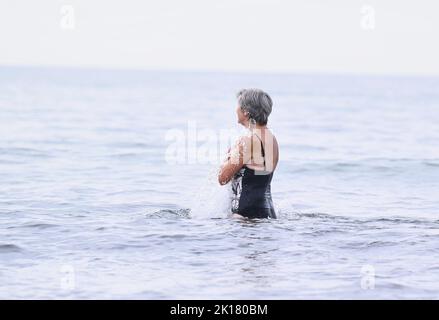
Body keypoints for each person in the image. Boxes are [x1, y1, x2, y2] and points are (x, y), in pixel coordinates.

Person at [218, 88, 279, 219]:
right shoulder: (270, 138)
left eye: (238, 106)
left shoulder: (247, 141)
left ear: (246, 112)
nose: (236, 109)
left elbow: (222, 178)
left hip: (244, 217)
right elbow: (259, 179)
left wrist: (229, 155)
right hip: (267, 214)